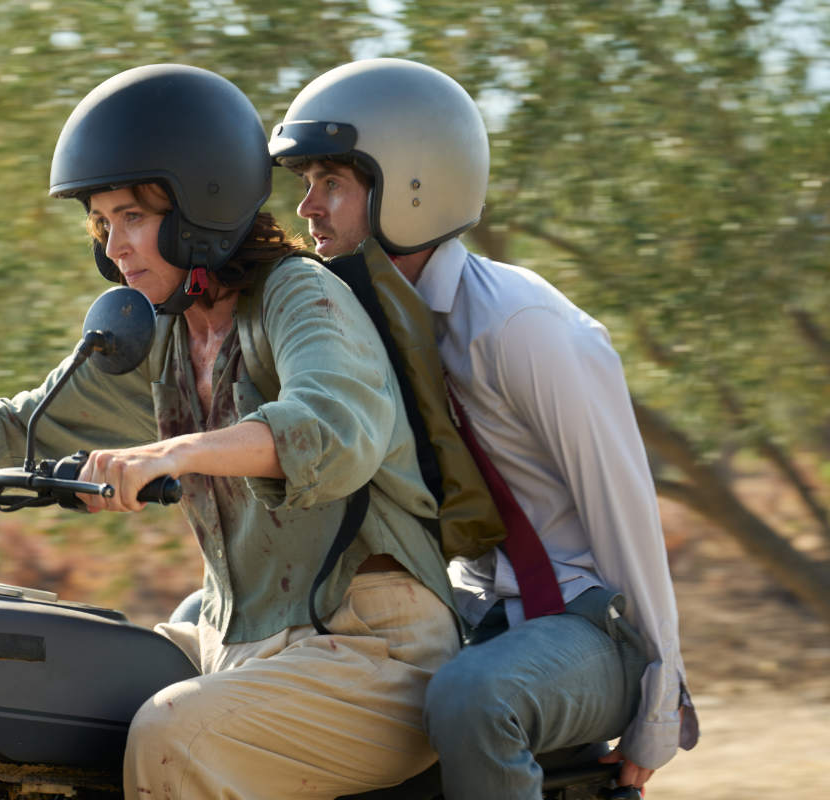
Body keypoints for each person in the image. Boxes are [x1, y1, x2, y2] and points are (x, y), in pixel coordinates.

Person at [0, 64, 461, 799]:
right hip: (238, 638)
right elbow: (30, 421)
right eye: (104, 222)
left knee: (171, 736)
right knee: (35, 684)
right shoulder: (167, 335)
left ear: (201, 206)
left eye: (134, 217)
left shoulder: (301, 294)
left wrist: (171, 452)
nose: (115, 246)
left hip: (374, 650)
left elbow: (329, 431)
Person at [269, 58, 699, 798]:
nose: (307, 207)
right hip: (465, 611)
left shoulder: (519, 324)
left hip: (585, 620)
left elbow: (624, 511)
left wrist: (657, 711)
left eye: (332, 182)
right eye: (305, 183)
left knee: (475, 696)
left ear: (413, 185)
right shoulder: (354, 328)